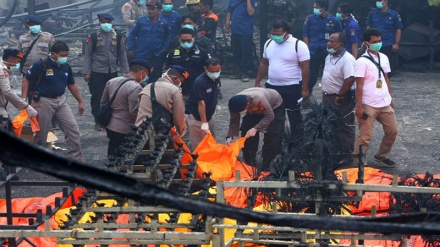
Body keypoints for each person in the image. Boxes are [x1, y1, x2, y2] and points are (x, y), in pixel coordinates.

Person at [21, 41, 85, 162]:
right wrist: (24, 100)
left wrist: (80, 101)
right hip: (43, 101)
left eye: (66, 55)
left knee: (72, 129)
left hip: (61, 101)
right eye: (62, 55)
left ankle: (76, 157)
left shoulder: (66, 66)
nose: (64, 58)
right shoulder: (41, 65)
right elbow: (26, 80)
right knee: (41, 133)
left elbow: (72, 84)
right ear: (53, 54)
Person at [255, 20, 310, 136]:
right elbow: (264, 63)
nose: (275, 36)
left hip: (292, 87)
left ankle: (297, 142)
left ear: (286, 33)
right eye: (273, 33)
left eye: (278, 34)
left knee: (294, 116)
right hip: (272, 86)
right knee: (273, 116)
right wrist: (257, 82)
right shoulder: (269, 43)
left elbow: (305, 69)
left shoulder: (298, 45)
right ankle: (275, 143)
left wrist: (304, 89)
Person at [354, 28, 397, 167]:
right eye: (374, 42)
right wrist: (359, 106)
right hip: (368, 103)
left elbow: (386, 78)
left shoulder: (384, 57)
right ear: (367, 43)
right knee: (365, 136)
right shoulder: (361, 61)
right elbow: (359, 85)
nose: (378, 44)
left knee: (392, 131)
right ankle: (359, 161)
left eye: (379, 41)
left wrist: (390, 98)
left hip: (383, 101)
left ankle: (382, 155)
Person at [83, 13, 129, 131]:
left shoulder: (118, 36)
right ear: (99, 23)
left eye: (108, 22)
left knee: (113, 97)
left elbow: (122, 54)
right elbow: (88, 55)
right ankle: (98, 121)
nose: (106, 24)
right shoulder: (93, 36)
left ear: (112, 22)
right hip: (97, 71)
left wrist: (125, 71)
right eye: (103, 22)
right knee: (97, 97)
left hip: (112, 71)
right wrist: (87, 72)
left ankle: (110, 120)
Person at [226, 88, 284, 172]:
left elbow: (270, 116)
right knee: (246, 131)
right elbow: (234, 120)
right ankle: (250, 163)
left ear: (248, 105)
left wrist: (255, 128)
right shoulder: (234, 103)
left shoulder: (258, 99)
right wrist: (230, 136)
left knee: (273, 135)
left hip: (273, 107)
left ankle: (267, 165)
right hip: (253, 110)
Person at [101, 59, 149, 157]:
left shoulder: (112, 81)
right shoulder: (135, 87)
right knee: (124, 156)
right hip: (124, 127)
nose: (146, 77)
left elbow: (103, 103)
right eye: (146, 75)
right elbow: (134, 111)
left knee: (113, 152)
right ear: (142, 72)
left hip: (110, 124)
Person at [321, 32, 356, 154]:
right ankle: (333, 152)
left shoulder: (347, 59)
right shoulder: (328, 57)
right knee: (329, 125)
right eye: (328, 41)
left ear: (340, 44)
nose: (328, 43)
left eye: (332, 41)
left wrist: (340, 95)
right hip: (327, 97)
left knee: (344, 126)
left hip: (341, 98)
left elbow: (350, 79)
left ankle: (346, 154)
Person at [135, 65, 189, 137]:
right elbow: (179, 118)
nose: (180, 84)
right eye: (181, 81)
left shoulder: (147, 87)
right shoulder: (174, 90)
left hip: (141, 132)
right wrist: (180, 132)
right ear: (175, 78)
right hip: (160, 133)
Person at [127, 0, 170, 84]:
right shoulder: (140, 21)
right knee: (140, 76)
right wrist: (130, 49)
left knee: (155, 77)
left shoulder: (164, 23)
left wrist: (165, 48)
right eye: (149, 9)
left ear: (159, 10)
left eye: (153, 9)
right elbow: (131, 35)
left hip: (157, 55)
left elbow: (167, 36)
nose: (150, 11)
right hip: (142, 54)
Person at [303, 0, 341, 93]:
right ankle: (306, 96)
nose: (314, 9)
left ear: (323, 8)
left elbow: (338, 36)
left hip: (328, 52)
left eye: (316, 7)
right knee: (311, 76)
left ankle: (330, 96)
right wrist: (306, 49)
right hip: (313, 51)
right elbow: (305, 35)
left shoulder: (334, 20)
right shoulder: (310, 19)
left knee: (329, 75)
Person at [185, 57, 221, 149]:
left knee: (211, 141)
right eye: (212, 71)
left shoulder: (216, 78)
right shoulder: (200, 82)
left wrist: (217, 104)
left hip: (208, 115)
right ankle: (198, 162)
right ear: (205, 69)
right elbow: (201, 103)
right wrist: (204, 123)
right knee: (199, 146)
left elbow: (215, 91)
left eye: (217, 71)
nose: (215, 74)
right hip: (197, 117)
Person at [165, 27, 211, 98]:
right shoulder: (172, 53)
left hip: (197, 87)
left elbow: (208, 71)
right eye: (183, 40)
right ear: (179, 40)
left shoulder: (203, 53)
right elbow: (166, 70)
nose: (186, 42)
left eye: (188, 40)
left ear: (194, 39)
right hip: (178, 89)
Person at [0, 48, 37, 131]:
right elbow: (7, 92)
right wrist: (26, 106)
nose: (18, 64)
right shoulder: (2, 70)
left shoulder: (5, 67)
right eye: (18, 61)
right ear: (11, 59)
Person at [366, 0, 403, 75]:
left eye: (380, 0)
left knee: (386, 67)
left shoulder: (394, 15)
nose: (378, 2)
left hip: (388, 44)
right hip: (374, 44)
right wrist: (367, 41)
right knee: (373, 65)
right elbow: (368, 27)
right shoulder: (372, 13)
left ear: (386, 1)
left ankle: (386, 82)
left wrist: (396, 43)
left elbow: (398, 29)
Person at [224, 0, 258, 82]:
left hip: (246, 31)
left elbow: (251, 12)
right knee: (236, 51)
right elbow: (229, 10)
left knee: (246, 52)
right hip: (235, 30)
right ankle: (237, 71)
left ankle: (245, 72)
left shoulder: (254, 1)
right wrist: (227, 22)